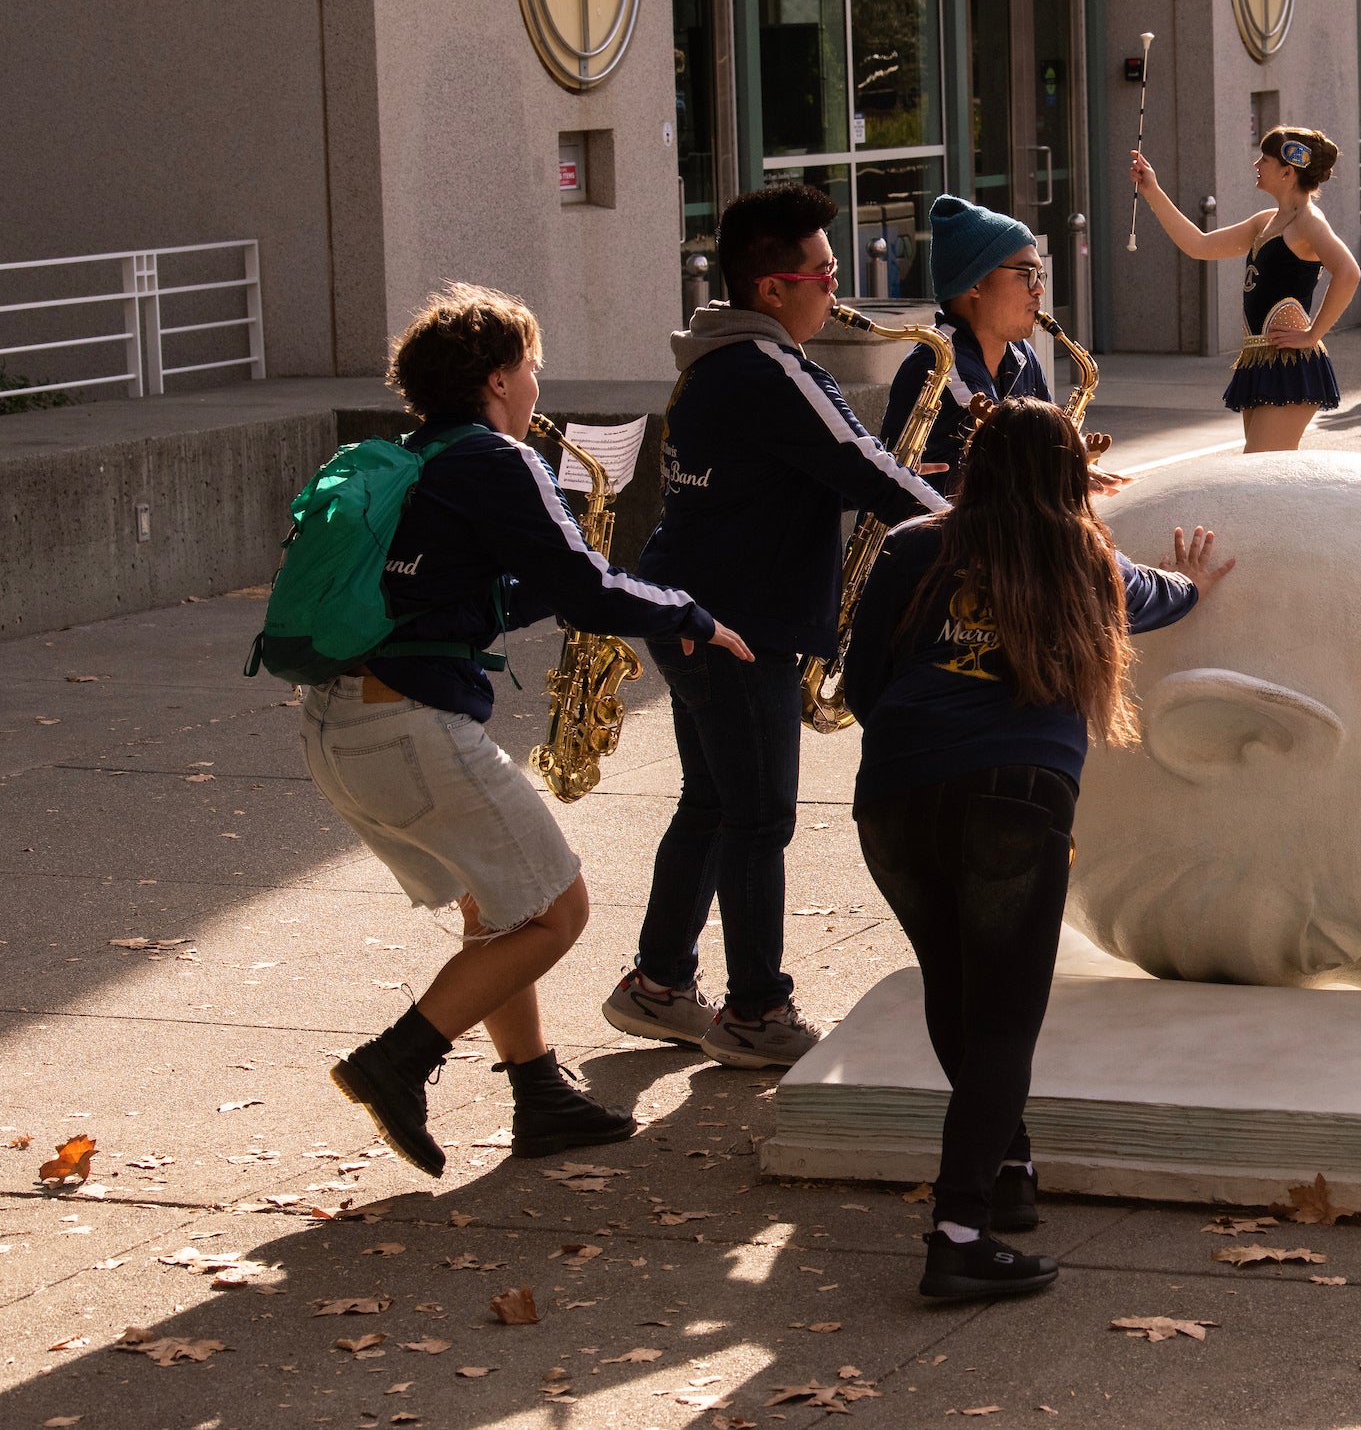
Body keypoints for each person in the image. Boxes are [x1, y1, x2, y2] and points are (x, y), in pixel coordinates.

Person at [313, 284, 754, 1177]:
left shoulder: (409, 460)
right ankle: (399, 1059)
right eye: (532, 368)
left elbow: (462, 596)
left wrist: (549, 578)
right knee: (557, 912)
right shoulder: (493, 462)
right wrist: (687, 614)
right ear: (497, 377)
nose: (537, 387)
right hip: (406, 726)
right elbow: (589, 589)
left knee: (499, 905)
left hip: (338, 721)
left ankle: (537, 1093)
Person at [844, 398, 1234, 1300]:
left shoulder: (912, 547)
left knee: (955, 988)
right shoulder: (1086, 560)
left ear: (975, 463)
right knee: (1007, 1017)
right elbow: (1164, 598)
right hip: (1015, 800)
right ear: (1070, 474)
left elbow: (862, 681)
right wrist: (1196, 583)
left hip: (896, 796)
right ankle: (959, 1230)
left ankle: (1006, 1170)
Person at [606, 181, 948, 1071]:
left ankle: (658, 985)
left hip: (694, 608)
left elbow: (826, 465)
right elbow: (864, 466)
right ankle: (757, 1011)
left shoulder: (714, 362)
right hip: (737, 624)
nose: (837, 290)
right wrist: (983, 526)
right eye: (826, 273)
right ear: (774, 288)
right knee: (758, 818)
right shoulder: (771, 367)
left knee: (714, 802)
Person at [1130, 127, 1361, 452]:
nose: (1256, 164)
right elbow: (1200, 245)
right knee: (1260, 475)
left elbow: (1349, 272)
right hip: (1259, 360)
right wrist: (1152, 190)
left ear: (1287, 171)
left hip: (1290, 363)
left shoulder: (1309, 222)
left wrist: (1312, 333)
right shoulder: (1265, 221)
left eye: (1264, 159)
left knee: (1261, 474)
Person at [883, 195, 1054, 499]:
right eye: (1025, 274)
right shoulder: (940, 363)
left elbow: (1050, 443)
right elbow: (1017, 464)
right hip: (930, 541)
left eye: (1039, 275)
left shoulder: (1021, 354)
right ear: (974, 283)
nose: (1038, 288)